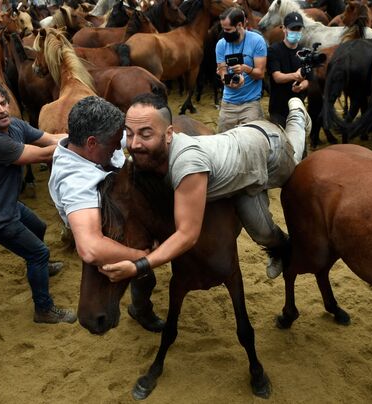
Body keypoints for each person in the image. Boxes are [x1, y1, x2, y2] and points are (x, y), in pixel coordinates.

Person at [98, 93, 312, 283]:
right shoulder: (149, 154)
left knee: (295, 159)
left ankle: (298, 117)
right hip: (242, 171)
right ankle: (278, 249)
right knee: (262, 233)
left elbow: (187, 235)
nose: (134, 144)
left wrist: (138, 266)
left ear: (169, 134)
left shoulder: (188, 164)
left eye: (145, 134)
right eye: (129, 133)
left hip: (267, 147)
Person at [48, 96, 164, 332]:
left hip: (119, 216)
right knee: (141, 273)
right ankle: (141, 310)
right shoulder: (75, 182)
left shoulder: (94, 145)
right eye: (113, 143)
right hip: (98, 231)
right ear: (91, 143)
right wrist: (141, 255)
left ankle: (140, 306)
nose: (118, 147)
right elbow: (91, 249)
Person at [0, 78, 76, 325]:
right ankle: (44, 310)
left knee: (38, 228)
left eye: (3, 103)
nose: (2, 109)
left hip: (5, 202)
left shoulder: (13, 125)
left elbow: (50, 138)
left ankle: (41, 270)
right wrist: (85, 145)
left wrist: (80, 135)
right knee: (38, 253)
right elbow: (44, 153)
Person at [215, 7, 267, 132]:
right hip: (228, 102)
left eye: (228, 29)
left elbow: (260, 73)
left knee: (252, 140)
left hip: (250, 103)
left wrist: (246, 69)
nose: (224, 32)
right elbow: (222, 69)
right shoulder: (221, 44)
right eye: (223, 29)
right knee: (223, 140)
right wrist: (226, 79)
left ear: (239, 25)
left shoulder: (257, 41)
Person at [267, 11, 309, 128]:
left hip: (298, 108)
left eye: (298, 29)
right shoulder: (274, 50)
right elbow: (277, 77)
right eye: (292, 29)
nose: (296, 32)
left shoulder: (304, 52)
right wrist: (295, 76)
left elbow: (309, 80)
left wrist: (302, 86)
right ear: (284, 29)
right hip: (278, 109)